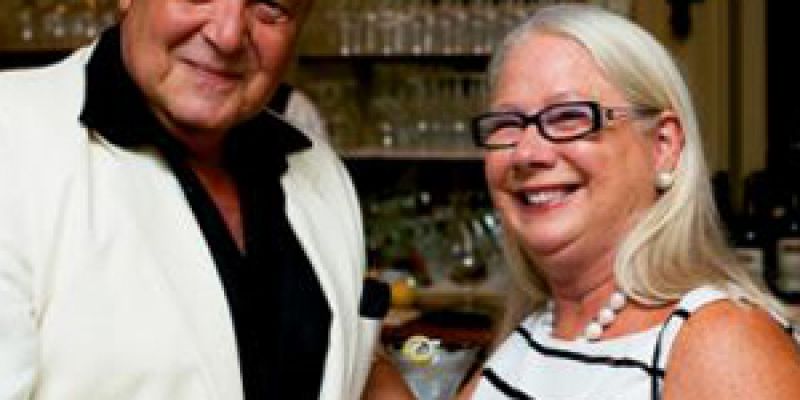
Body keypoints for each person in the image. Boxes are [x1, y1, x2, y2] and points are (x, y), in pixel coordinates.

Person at [0, 0, 413, 398]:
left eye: (270, 6)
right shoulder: (13, 135)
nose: (228, 35)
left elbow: (341, 373)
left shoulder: (320, 171)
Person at [458, 4, 800, 399]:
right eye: (506, 124)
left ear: (662, 146)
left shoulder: (721, 344)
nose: (527, 153)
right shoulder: (539, 328)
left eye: (569, 117)